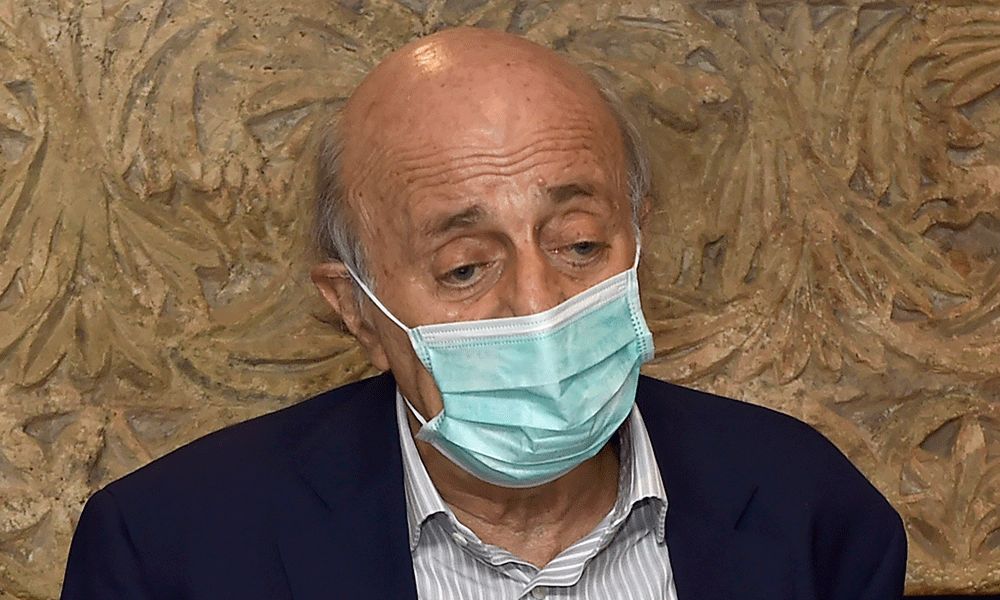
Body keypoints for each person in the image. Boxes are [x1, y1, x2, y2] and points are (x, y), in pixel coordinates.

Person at [61, 27, 906, 599]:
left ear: (638, 239)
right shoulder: (168, 553)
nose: (537, 305)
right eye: (465, 267)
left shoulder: (809, 509)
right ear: (356, 309)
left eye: (580, 244)